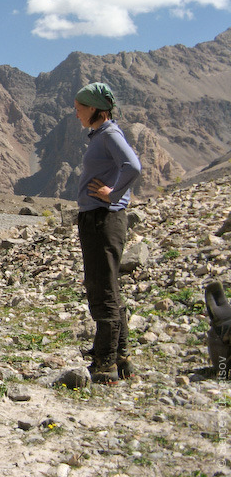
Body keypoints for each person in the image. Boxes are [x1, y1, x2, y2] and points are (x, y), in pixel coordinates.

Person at [74, 82, 141, 385]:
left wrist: (112, 194)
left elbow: (133, 166)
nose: (76, 113)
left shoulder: (110, 134)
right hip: (99, 218)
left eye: (79, 108)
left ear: (94, 108)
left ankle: (105, 363)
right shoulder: (101, 135)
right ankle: (121, 357)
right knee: (108, 286)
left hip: (104, 218)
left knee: (102, 290)